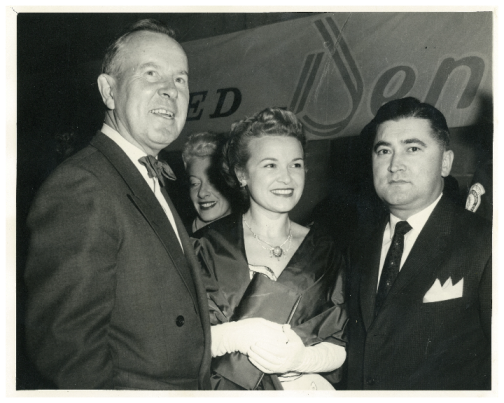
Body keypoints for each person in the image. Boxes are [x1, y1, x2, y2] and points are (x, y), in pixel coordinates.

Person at [24, 19, 212, 390]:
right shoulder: (83, 185)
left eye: (180, 79)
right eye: (151, 74)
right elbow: (70, 353)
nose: (169, 91)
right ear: (109, 91)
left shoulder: (144, 174)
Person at [192, 107, 347, 390]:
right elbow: (176, 343)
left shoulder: (326, 251)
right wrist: (233, 336)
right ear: (242, 174)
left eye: (296, 164)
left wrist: (303, 359)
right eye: (270, 165)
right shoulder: (205, 247)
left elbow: (340, 342)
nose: (287, 178)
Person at [346, 97, 491, 390]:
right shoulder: (356, 245)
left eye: (412, 149)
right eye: (384, 150)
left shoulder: (486, 244)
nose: (394, 165)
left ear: (446, 162)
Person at [182, 132, 236, 233]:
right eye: (194, 183)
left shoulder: (251, 237)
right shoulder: (178, 237)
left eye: (212, 181)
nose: (202, 193)